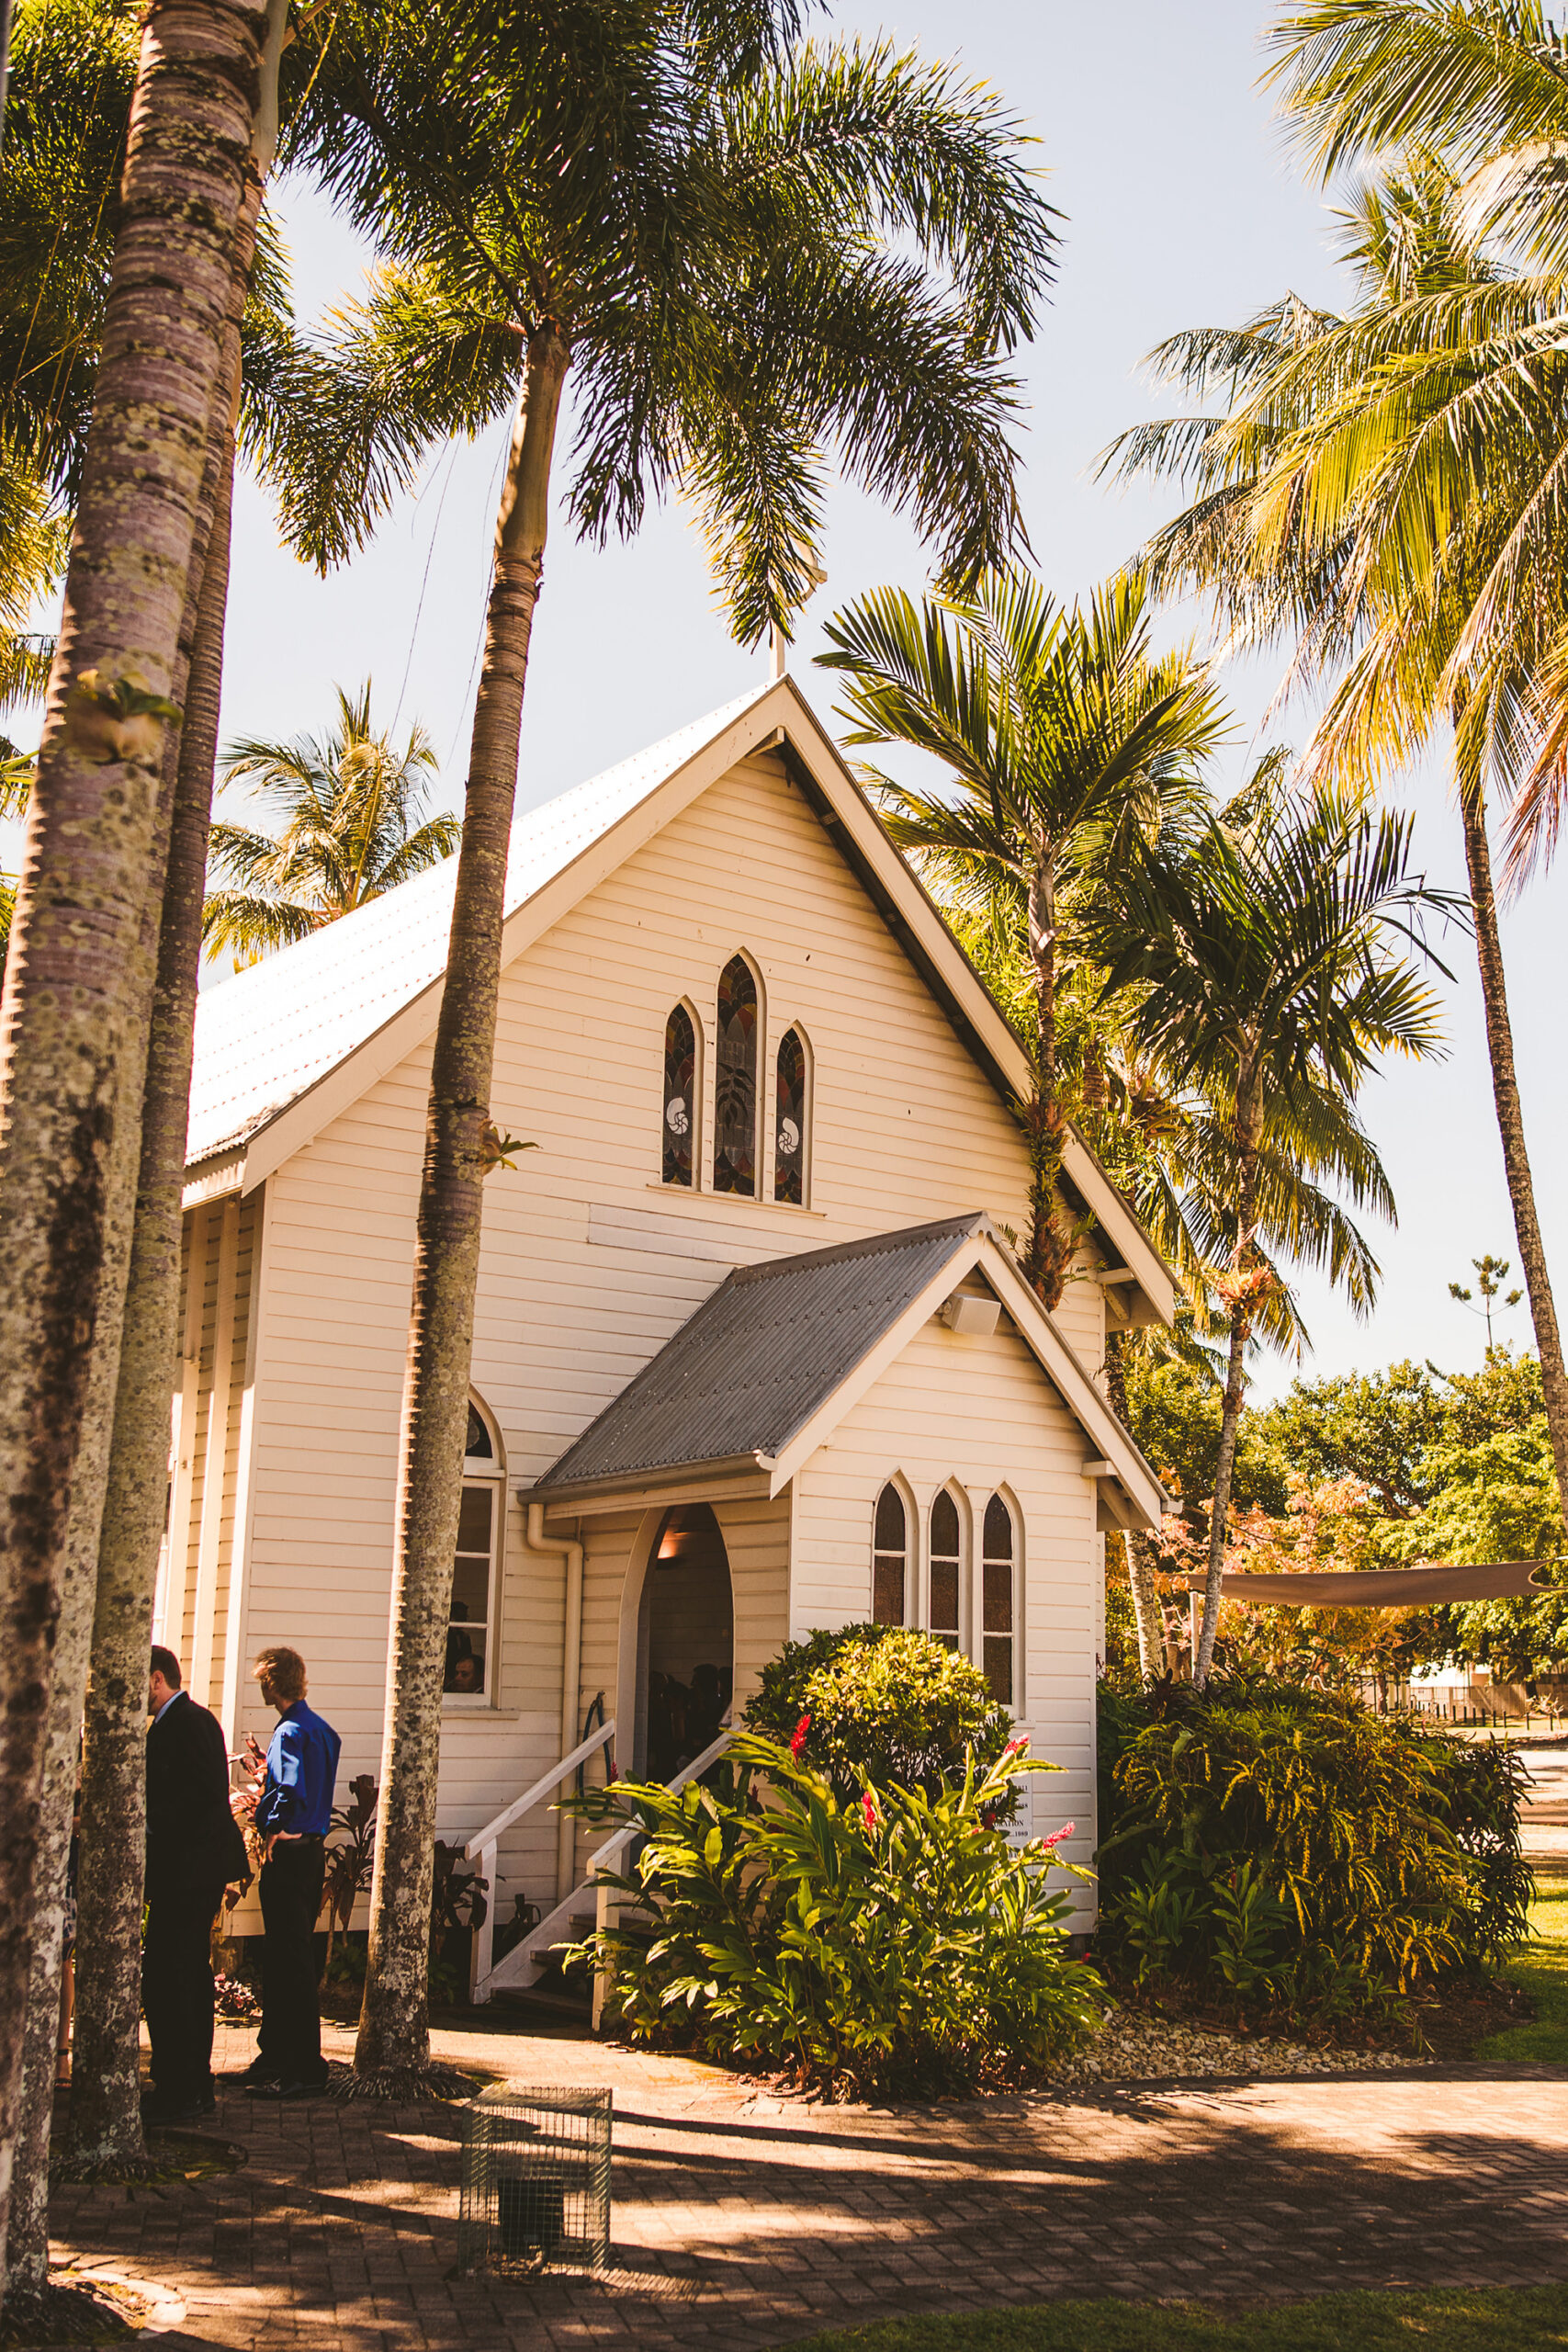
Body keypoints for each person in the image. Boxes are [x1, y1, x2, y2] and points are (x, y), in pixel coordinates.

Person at [143, 1646, 251, 2124]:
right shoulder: (195, 1719)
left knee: (175, 1974)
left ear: (155, 1679)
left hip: (186, 1871)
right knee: (178, 1972)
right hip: (193, 1868)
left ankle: (184, 2085)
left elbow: (189, 1800)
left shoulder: (181, 1725)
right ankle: (184, 2081)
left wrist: (143, 1825)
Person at [240, 1645, 342, 2098]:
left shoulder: (290, 1733)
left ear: (272, 1682)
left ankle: (302, 2066)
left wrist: (271, 1826)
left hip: (290, 1850)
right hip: (313, 1852)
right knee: (289, 1955)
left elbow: (289, 1787)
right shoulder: (323, 1731)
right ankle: (276, 2055)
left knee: (289, 1959)